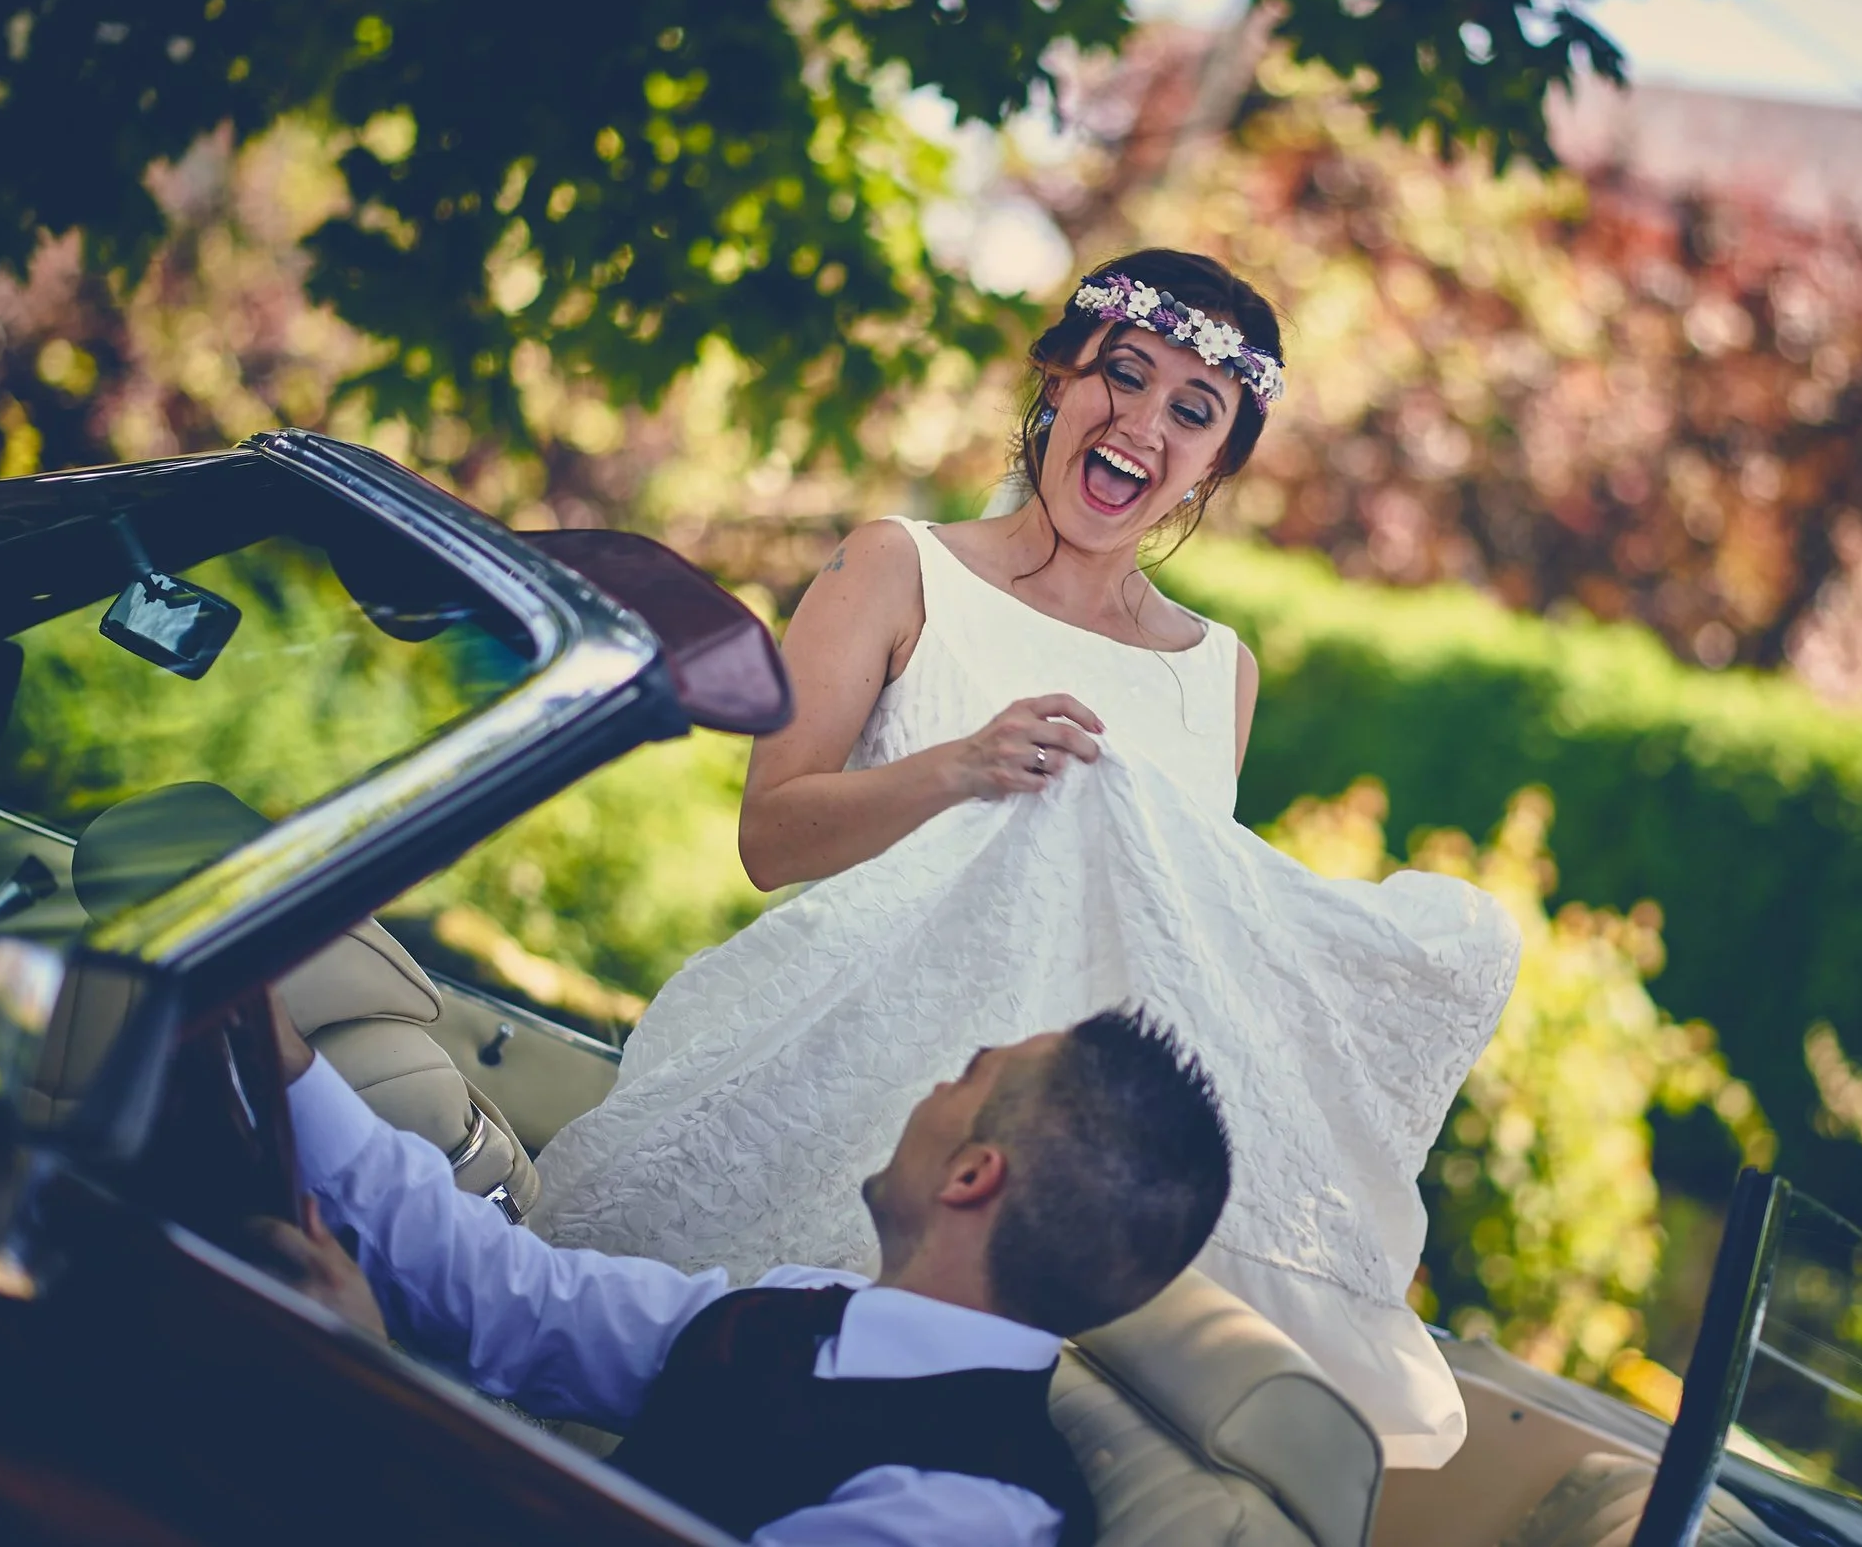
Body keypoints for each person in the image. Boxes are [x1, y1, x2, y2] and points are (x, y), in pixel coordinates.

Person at [530, 248, 1519, 1465]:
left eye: (1191, 411)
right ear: (1058, 377)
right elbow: (769, 837)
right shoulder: (897, 566)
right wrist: (960, 765)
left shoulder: (1221, 673)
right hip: (841, 1095)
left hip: (1009, 1202)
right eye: (1123, 375)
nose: (1142, 424)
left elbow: (1173, 932)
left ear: (1215, 464)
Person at [255, 983, 1233, 1547]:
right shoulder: (808, 1311)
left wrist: (368, 1392)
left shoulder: (966, 1515)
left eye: (968, 1073)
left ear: (974, 1172)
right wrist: (285, 1062)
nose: (935, 1087)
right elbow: (515, 1301)